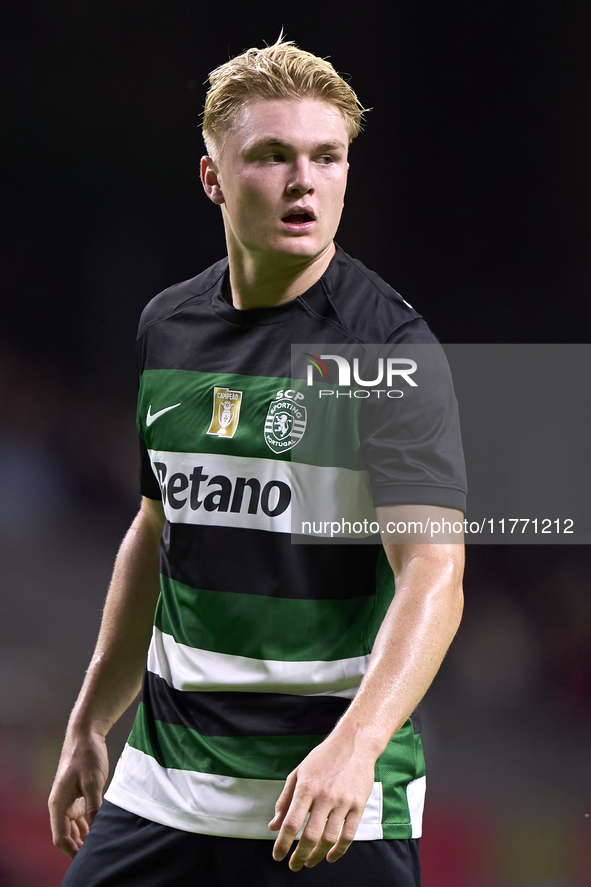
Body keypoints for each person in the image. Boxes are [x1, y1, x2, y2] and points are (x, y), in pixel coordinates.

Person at [49, 38, 466, 886]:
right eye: (272, 156)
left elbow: (433, 574)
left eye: (326, 157)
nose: (303, 180)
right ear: (213, 178)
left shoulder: (388, 346)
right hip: (164, 784)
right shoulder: (167, 326)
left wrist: (352, 748)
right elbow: (156, 524)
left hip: (328, 800)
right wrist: (93, 715)